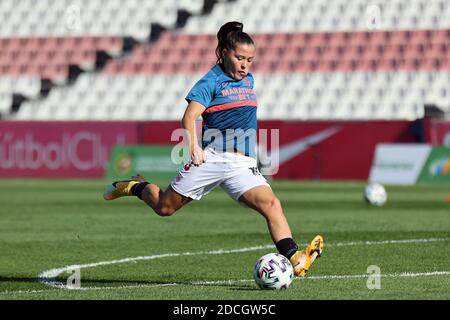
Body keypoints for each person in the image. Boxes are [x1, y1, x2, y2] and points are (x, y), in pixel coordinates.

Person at [103, 21, 324, 277]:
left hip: (241, 164)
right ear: (224, 52)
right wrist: (194, 147)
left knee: (271, 204)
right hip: (211, 159)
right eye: (240, 58)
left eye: (250, 60)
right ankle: (137, 185)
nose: (245, 65)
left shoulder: (248, 80)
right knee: (165, 208)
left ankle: (295, 258)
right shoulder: (210, 82)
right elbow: (189, 117)